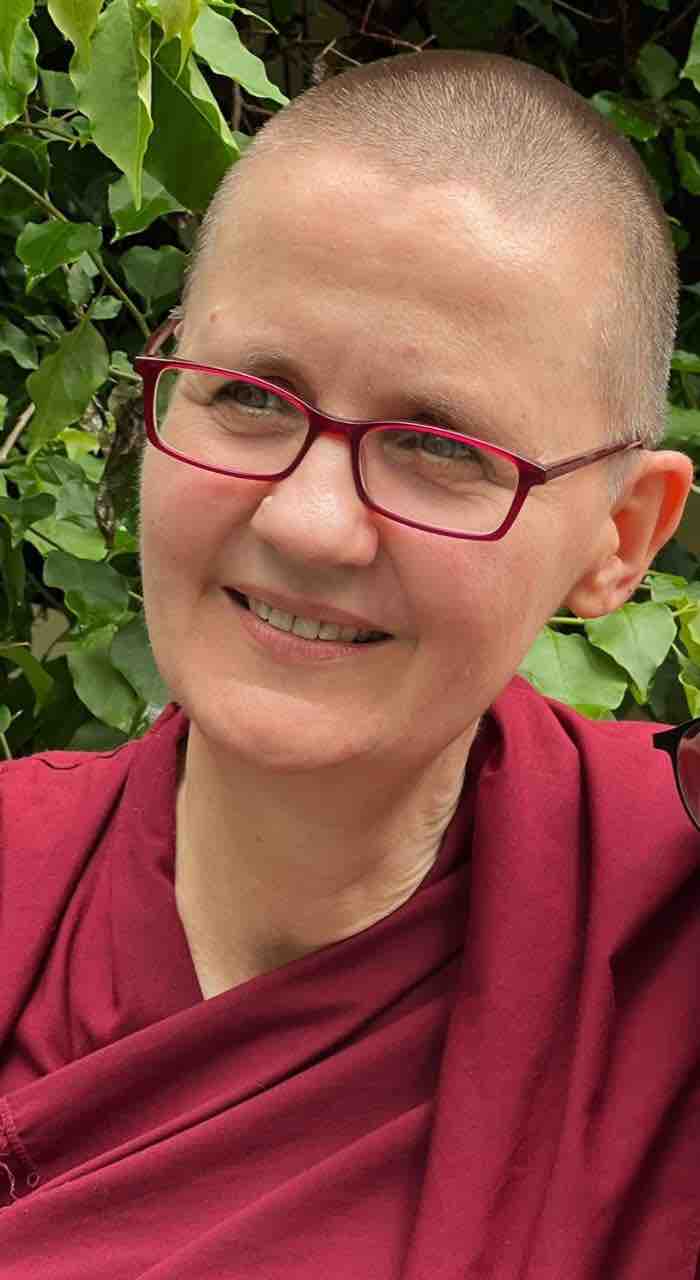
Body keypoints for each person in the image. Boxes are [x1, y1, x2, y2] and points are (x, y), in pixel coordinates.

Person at [1, 49, 698, 1280]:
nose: (309, 522)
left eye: (442, 447)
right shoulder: (18, 866)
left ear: (620, 538)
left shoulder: (664, 930)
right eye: (250, 395)